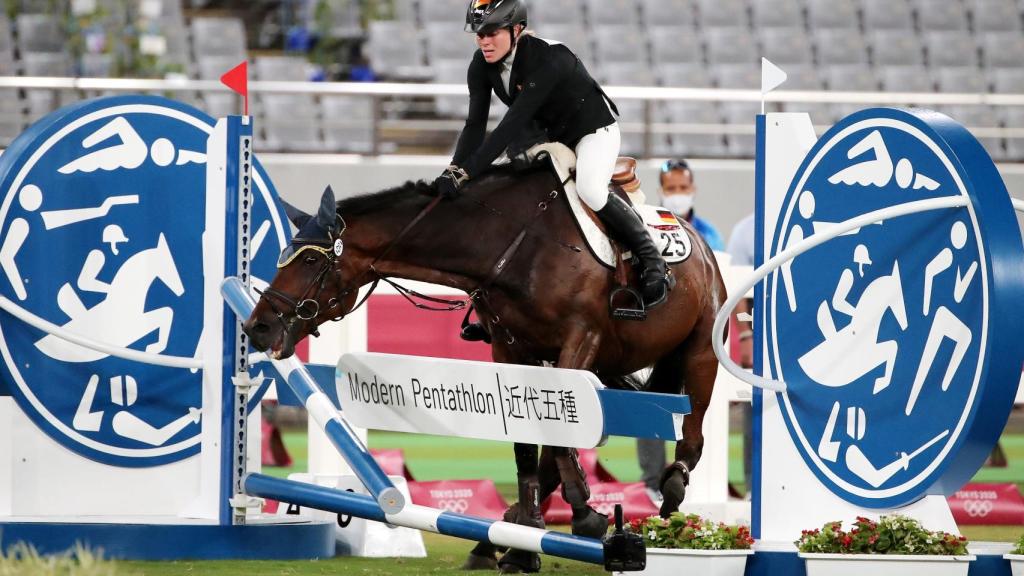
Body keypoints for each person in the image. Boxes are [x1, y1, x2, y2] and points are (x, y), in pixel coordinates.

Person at [438, 0, 675, 343]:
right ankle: (499, 307)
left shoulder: (547, 59)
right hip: (548, 135)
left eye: (491, 33)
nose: (483, 42)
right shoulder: (481, 64)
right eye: (478, 35)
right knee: (511, 198)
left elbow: (509, 125)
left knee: (591, 190)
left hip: (592, 132)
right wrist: (454, 169)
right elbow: (474, 125)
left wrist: (469, 172)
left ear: (515, 30)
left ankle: (652, 260)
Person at [658, 159, 724, 251]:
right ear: (660, 192)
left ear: (693, 190)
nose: (678, 193)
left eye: (683, 187)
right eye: (671, 188)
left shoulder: (709, 234)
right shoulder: (647, 230)